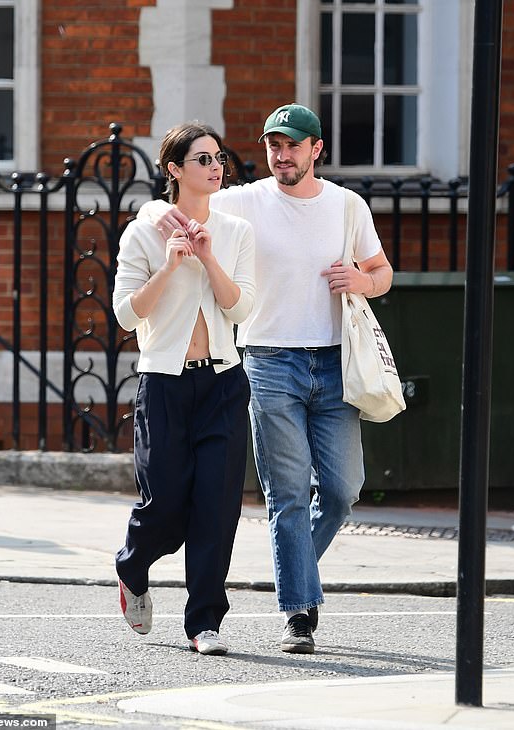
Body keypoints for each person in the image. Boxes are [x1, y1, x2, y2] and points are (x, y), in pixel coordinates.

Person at [139, 103, 393, 654]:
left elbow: (383, 273)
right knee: (288, 492)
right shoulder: (243, 200)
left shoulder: (347, 206)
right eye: (274, 146)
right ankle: (299, 612)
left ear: (315, 150)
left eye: (293, 146)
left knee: (345, 490)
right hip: (269, 360)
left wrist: (361, 280)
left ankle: (295, 571)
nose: (282, 155)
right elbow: (177, 202)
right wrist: (158, 216)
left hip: (333, 361)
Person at [113, 122, 255, 656]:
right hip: (164, 384)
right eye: (202, 160)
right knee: (166, 505)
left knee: (217, 508)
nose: (216, 168)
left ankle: (204, 623)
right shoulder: (143, 232)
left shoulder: (236, 231)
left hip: (222, 382)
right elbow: (127, 314)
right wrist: (170, 265)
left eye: (219, 158)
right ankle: (133, 565)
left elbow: (240, 308)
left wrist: (209, 257)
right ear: (174, 170)